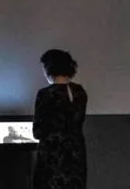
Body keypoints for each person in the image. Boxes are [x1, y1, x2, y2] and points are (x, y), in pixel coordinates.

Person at [32, 49, 87, 189]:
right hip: (76, 154)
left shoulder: (46, 94)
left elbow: (38, 131)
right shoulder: (79, 92)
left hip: (52, 155)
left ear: (49, 69)